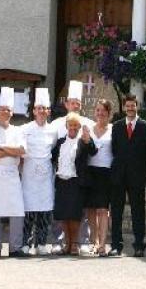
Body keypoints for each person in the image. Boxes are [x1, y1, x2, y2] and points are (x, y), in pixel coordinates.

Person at [0, 87, 30, 258]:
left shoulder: (18, 131)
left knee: (17, 211)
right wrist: (10, 151)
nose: (5, 112)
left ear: (12, 112)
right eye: (2, 109)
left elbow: (22, 150)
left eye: (8, 110)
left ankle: (15, 247)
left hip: (12, 174)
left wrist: (1, 147)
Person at [49, 80, 94, 251]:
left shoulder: (88, 124)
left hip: (78, 177)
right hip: (61, 176)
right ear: (66, 104)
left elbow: (92, 149)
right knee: (60, 211)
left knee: (79, 211)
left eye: (77, 103)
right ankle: (58, 242)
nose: (74, 106)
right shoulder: (56, 124)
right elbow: (51, 150)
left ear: (80, 105)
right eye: (72, 102)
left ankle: (82, 242)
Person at [110, 94, 146, 257]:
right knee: (116, 212)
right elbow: (114, 149)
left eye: (133, 105)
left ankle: (139, 246)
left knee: (138, 212)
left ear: (137, 107)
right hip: (118, 176)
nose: (130, 108)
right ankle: (116, 245)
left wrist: (140, 167)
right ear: (124, 108)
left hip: (137, 176)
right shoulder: (116, 126)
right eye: (128, 106)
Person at [20, 88, 58, 255]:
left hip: (45, 175)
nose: (42, 111)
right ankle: (26, 243)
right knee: (28, 209)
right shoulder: (25, 128)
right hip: (29, 175)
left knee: (44, 210)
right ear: (34, 111)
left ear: (48, 112)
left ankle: (41, 243)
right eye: (39, 108)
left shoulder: (53, 130)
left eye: (45, 108)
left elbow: (53, 147)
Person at [85, 99, 114, 256]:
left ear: (109, 113)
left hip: (106, 173)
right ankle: (93, 241)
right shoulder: (88, 129)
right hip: (90, 172)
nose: (100, 113)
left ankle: (102, 244)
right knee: (91, 209)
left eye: (103, 110)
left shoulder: (113, 129)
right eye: (98, 110)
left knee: (103, 210)